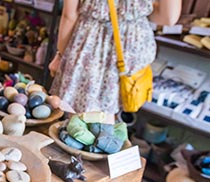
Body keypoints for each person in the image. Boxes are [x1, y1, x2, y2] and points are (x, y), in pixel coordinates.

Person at [49, 0, 182, 115]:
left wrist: (60, 55)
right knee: (109, 109)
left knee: (81, 110)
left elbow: (70, 15)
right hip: (132, 47)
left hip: (91, 43)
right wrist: (134, 8)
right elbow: (168, 18)